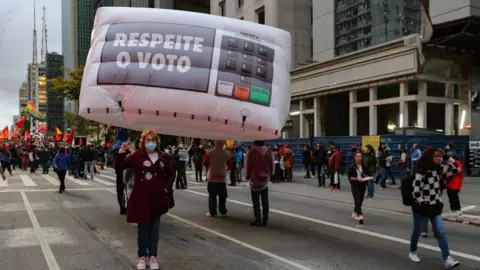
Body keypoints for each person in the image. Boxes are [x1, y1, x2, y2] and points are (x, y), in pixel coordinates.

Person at [117, 129, 174, 270]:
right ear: (143, 141)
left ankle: (153, 256)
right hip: (141, 198)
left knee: (155, 229)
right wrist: (121, 151)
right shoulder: (137, 155)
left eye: (153, 140)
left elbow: (171, 174)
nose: (150, 142)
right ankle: (142, 257)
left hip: (158, 198)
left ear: (157, 141)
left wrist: (166, 189)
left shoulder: (163, 157)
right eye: (147, 140)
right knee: (143, 228)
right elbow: (120, 166)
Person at [409, 148, 460, 269]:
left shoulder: (439, 169)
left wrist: (448, 158)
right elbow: (415, 191)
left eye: (440, 157)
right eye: (436, 157)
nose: (439, 159)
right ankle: (412, 251)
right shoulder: (421, 171)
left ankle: (447, 259)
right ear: (429, 157)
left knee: (440, 232)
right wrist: (423, 203)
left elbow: (455, 170)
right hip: (422, 207)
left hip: (435, 206)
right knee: (418, 231)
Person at [246, 140, 273, 226]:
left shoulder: (252, 151)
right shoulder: (268, 150)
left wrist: (247, 175)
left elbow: (249, 164)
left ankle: (258, 219)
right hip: (265, 179)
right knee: (265, 199)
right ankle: (265, 217)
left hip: (254, 178)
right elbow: (271, 163)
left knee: (256, 201)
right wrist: (270, 173)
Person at [203, 140, 231, 217]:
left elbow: (204, 162)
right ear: (222, 144)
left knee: (212, 196)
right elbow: (230, 165)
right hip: (222, 178)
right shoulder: (226, 153)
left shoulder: (209, 152)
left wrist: (211, 165)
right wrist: (225, 168)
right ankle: (222, 210)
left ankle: (212, 212)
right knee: (222, 197)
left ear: (215, 143)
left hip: (212, 178)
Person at [347, 152, 369, 223]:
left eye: (360, 156)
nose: (359, 158)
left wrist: (367, 178)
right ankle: (360, 215)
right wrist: (357, 179)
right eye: (357, 156)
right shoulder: (351, 167)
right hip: (355, 185)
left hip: (362, 185)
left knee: (360, 201)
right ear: (355, 158)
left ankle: (354, 212)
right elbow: (349, 177)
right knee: (357, 200)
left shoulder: (364, 166)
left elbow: (367, 174)